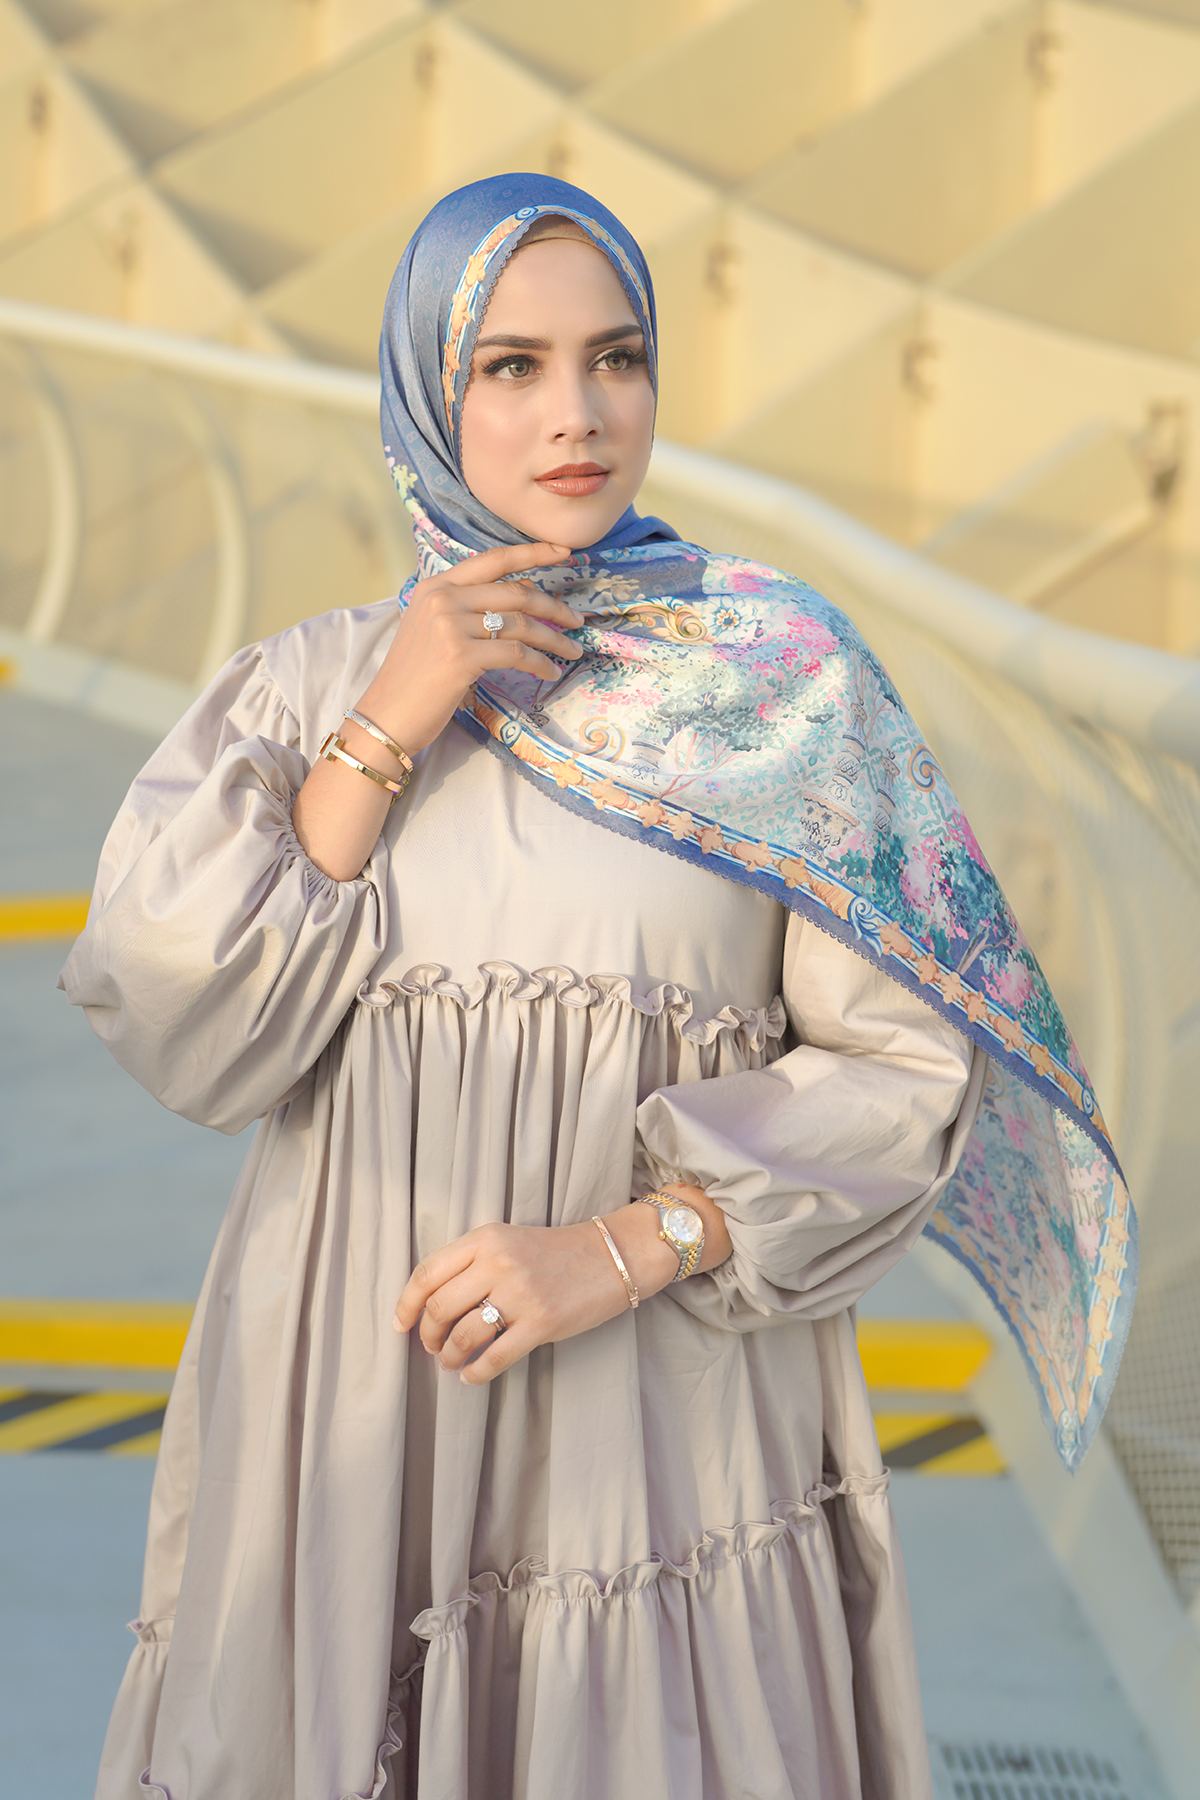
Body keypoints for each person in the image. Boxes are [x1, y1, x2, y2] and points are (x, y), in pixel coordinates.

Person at [61, 174, 1133, 1800]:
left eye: (615, 357)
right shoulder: (307, 687)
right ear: (430, 389)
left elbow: (905, 1072)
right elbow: (190, 1020)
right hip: (354, 1406)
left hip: (662, 1431)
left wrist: (620, 1249)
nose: (578, 413)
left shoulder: (781, 691)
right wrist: (398, 713)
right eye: (511, 366)